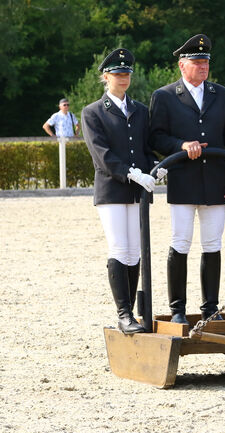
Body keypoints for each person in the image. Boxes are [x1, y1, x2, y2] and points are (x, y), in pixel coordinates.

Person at [149, 34, 225, 323]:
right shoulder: (164, 96)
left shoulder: (222, 94)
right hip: (183, 180)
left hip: (216, 179)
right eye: (197, 62)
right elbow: (155, 137)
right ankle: (177, 310)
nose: (203, 67)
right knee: (181, 242)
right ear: (182, 65)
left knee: (213, 244)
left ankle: (210, 308)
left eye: (206, 62)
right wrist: (180, 144)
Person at [81, 48, 165, 334]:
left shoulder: (140, 110)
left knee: (135, 251)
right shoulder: (92, 112)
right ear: (106, 77)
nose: (123, 77)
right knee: (120, 248)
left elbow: (143, 148)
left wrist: (156, 166)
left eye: (126, 73)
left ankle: (132, 311)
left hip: (138, 189)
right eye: (118, 73)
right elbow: (101, 155)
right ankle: (124, 313)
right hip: (113, 189)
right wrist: (132, 173)